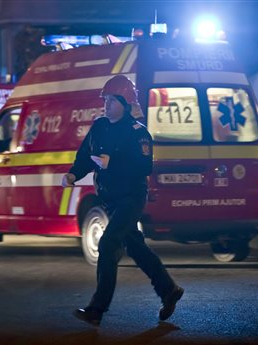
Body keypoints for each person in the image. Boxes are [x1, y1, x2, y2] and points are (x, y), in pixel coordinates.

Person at [62, 75, 183, 326]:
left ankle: (97, 309)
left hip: (131, 198)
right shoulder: (99, 127)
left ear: (125, 103)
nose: (106, 105)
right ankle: (169, 290)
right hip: (110, 200)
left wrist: (112, 163)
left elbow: (144, 166)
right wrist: (74, 173)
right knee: (136, 247)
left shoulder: (138, 133)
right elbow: (85, 155)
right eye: (105, 99)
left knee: (108, 244)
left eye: (112, 100)